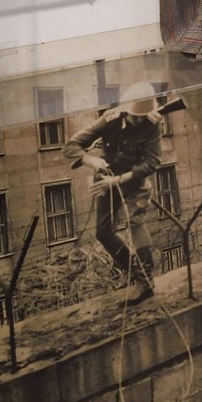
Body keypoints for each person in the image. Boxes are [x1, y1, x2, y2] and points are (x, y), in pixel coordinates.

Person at [65, 81, 164, 303]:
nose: (140, 121)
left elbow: (153, 163)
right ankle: (134, 272)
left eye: (143, 116)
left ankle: (145, 281)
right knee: (103, 232)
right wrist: (90, 160)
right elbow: (70, 146)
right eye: (135, 117)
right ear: (125, 111)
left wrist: (118, 180)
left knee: (135, 221)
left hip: (134, 179)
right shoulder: (109, 120)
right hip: (106, 176)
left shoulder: (152, 124)